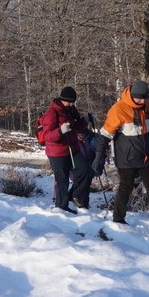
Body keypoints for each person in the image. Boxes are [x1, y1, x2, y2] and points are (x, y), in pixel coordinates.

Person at [91, 80, 149, 235]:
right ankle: (118, 219)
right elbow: (105, 135)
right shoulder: (118, 109)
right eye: (138, 98)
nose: (140, 100)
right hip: (126, 157)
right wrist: (99, 156)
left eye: (143, 98)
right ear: (131, 95)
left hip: (146, 156)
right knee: (126, 187)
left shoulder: (147, 107)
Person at [37, 86, 92, 214]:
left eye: (73, 102)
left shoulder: (71, 109)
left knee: (84, 170)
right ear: (62, 99)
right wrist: (60, 131)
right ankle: (61, 206)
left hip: (72, 147)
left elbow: (76, 126)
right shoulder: (51, 113)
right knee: (62, 179)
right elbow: (47, 136)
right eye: (69, 101)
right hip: (56, 151)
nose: (72, 104)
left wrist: (85, 121)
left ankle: (75, 194)